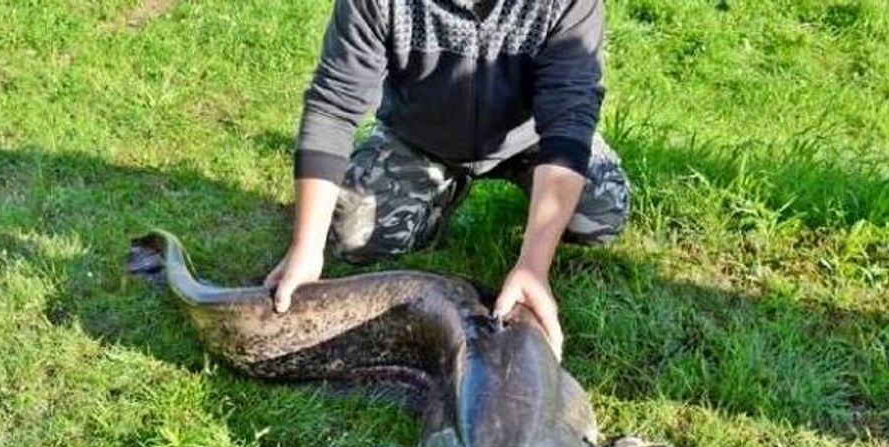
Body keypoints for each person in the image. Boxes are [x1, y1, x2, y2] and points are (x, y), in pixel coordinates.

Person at [263, 0, 629, 359]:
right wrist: (306, 249)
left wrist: (534, 266)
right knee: (351, 235)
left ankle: (537, 206)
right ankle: (442, 193)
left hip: (532, 140)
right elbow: (333, 107)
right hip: (420, 139)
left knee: (601, 212)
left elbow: (568, 122)